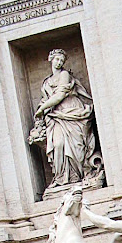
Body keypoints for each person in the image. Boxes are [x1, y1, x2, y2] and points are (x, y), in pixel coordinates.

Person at [35, 49, 100, 188]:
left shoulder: (65, 75)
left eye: (62, 61)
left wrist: (41, 109)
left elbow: (59, 95)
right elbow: (46, 98)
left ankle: (78, 176)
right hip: (55, 116)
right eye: (57, 59)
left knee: (76, 146)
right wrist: (43, 109)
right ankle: (62, 178)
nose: (59, 63)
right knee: (58, 145)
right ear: (50, 59)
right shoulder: (46, 82)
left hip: (71, 111)